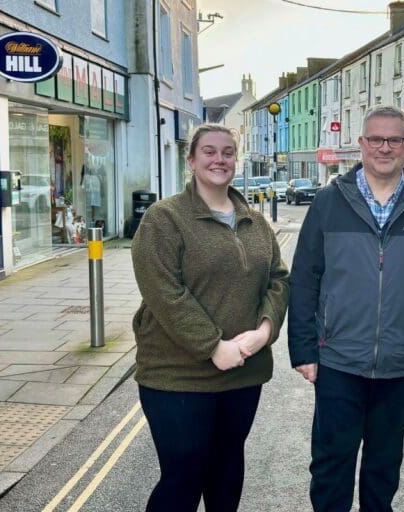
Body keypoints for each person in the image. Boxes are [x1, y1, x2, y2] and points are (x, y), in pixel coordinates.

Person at [289, 106, 404, 512]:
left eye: (395, 140)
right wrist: (304, 349)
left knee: (384, 468)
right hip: (338, 362)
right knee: (331, 465)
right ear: (361, 145)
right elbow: (304, 279)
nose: (385, 148)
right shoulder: (329, 203)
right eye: (376, 139)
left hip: (401, 365)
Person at [130, 124, 289, 511]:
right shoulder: (164, 219)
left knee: (227, 472)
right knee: (184, 476)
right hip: (176, 376)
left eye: (228, 152)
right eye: (210, 151)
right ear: (192, 160)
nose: (220, 159)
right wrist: (212, 345)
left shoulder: (254, 220)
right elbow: (164, 292)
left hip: (242, 372)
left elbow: (278, 279)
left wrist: (263, 333)